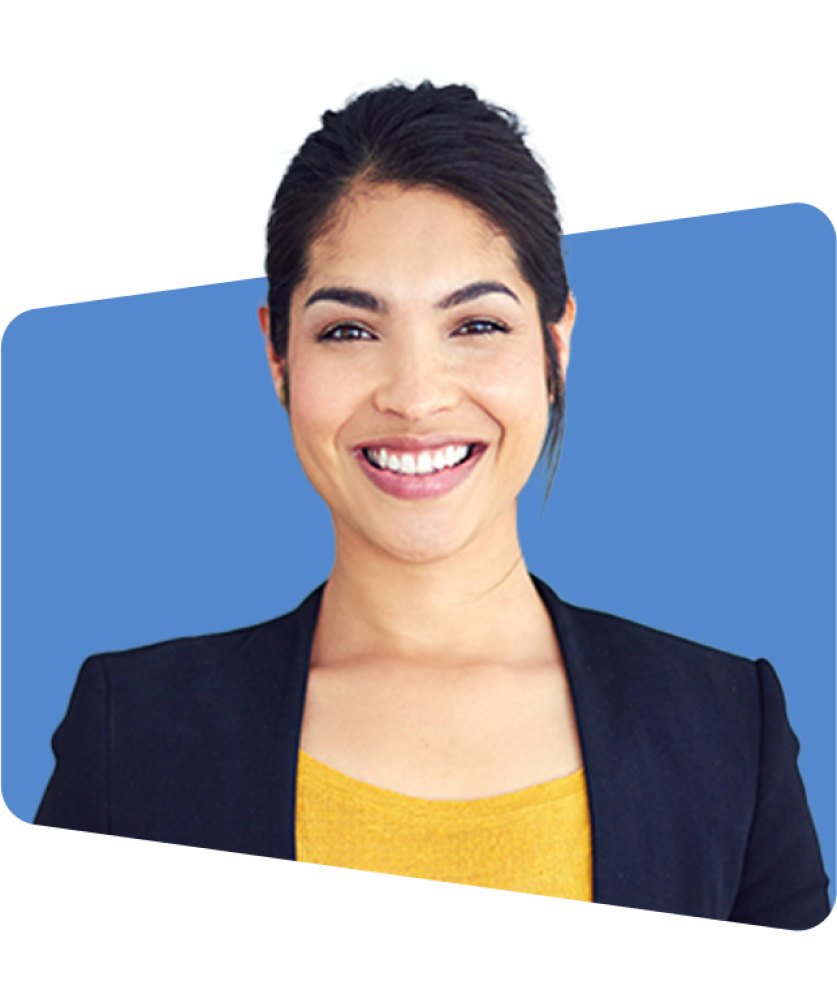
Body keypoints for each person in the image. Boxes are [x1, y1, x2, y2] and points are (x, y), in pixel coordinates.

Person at [33, 72, 830, 927]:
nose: (414, 397)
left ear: (555, 343)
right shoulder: (133, 735)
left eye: (475, 325)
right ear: (277, 355)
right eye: (349, 329)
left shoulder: (725, 730)